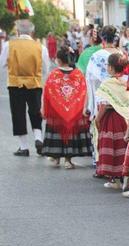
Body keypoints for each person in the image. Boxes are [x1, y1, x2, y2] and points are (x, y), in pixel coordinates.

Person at [0, 19, 50, 156]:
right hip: (34, 83)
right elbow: (46, 68)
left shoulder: (9, 45)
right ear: (32, 32)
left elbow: (2, 63)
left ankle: (23, 147)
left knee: (18, 114)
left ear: (17, 31)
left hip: (15, 84)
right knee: (35, 112)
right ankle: (38, 138)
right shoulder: (41, 47)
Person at [42, 47, 92, 168]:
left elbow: (47, 93)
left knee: (58, 132)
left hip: (57, 111)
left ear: (58, 60)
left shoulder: (54, 75)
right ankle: (68, 160)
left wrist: (44, 107)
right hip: (74, 111)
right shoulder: (78, 75)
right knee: (70, 133)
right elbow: (84, 92)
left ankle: (56, 156)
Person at [95, 53, 129, 189]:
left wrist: (98, 119)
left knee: (112, 147)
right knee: (123, 147)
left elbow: (105, 105)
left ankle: (115, 180)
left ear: (111, 68)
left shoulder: (107, 84)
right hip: (125, 119)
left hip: (111, 119)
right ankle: (125, 175)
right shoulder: (128, 82)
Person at [85, 26, 121, 171]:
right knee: (119, 132)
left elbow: (90, 79)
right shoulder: (122, 54)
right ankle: (119, 164)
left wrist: (89, 104)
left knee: (102, 130)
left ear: (103, 38)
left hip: (102, 97)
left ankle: (101, 163)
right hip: (120, 98)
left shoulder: (97, 55)